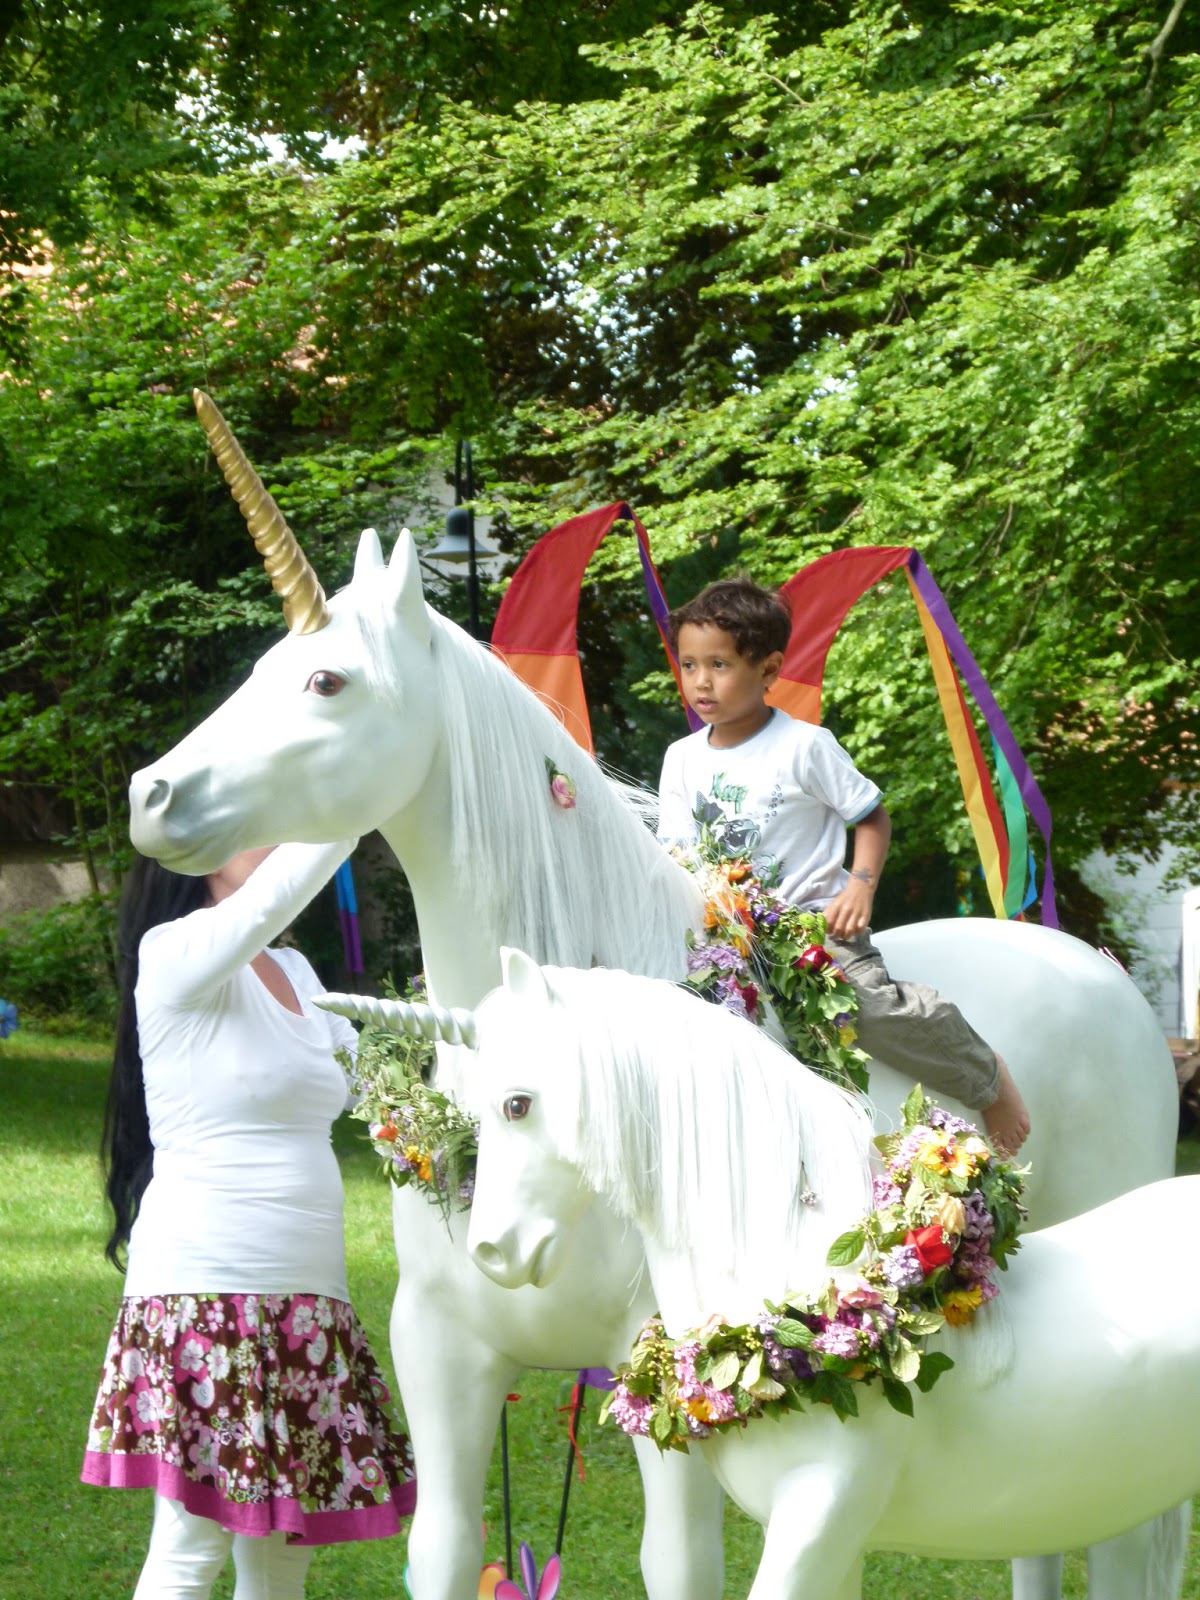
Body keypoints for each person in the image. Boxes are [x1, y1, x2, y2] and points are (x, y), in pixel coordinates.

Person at [82, 839, 416, 1599]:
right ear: (194, 849)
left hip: (307, 1296)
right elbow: (271, 897)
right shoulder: (176, 950)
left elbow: (382, 1096)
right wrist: (355, 798)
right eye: (254, 826)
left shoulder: (295, 970)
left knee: (284, 1551)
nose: (277, 841)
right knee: (191, 1545)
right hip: (207, 1289)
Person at [657, 577, 1031, 1156]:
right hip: (721, 938)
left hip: (810, 933)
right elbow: (676, 852)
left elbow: (872, 817)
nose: (701, 682)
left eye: (720, 665)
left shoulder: (804, 745)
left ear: (769, 668)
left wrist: (858, 887)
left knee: (870, 1008)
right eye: (688, 665)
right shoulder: (680, 759)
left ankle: (983, 1074)